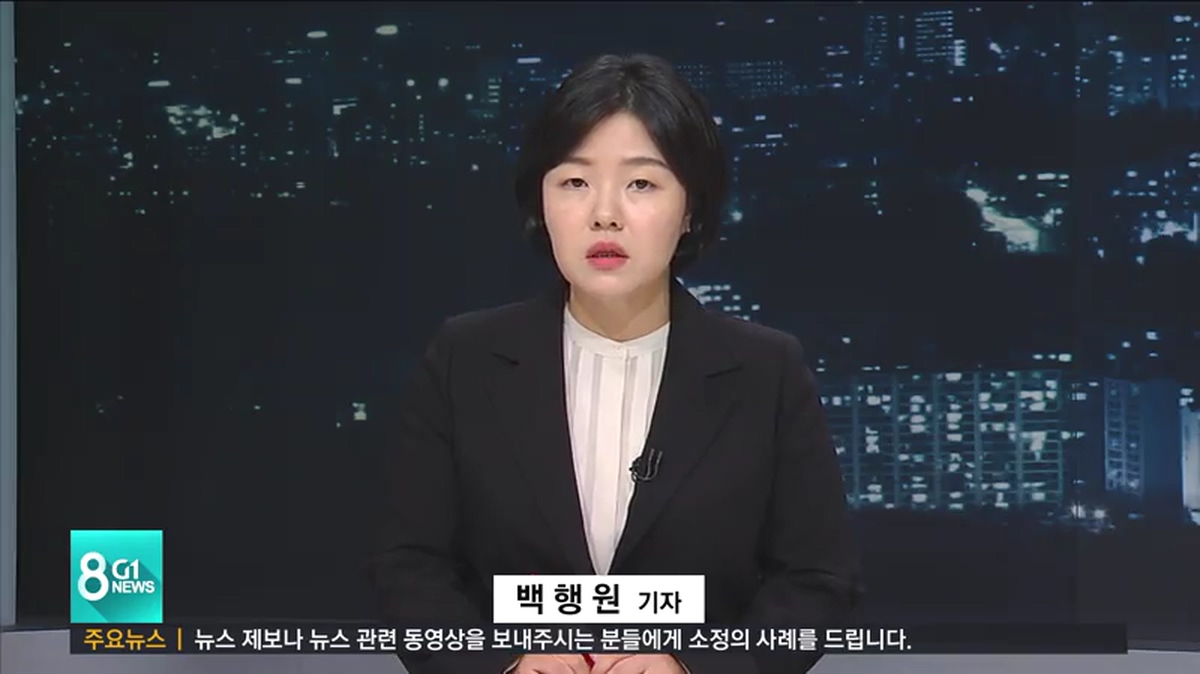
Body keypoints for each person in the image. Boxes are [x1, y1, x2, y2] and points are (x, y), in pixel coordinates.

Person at [368, 53, 863, 674]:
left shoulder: (767, 371)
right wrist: (503, 664)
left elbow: (817, 579)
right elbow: (408, 565)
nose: (605, 213)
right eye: (575, 182)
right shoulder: (464, 358)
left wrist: (691, 666)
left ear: (690, 210)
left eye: (642, 184)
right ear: (540, 202)